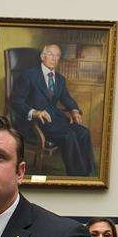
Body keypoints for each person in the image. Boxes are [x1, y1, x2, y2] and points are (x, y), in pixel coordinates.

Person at [10, 43, 96, 176]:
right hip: (36, 121)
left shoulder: (60, 79)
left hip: (56, 118)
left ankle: (89, 172)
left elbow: (66, 98)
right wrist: (34, 112)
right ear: (42, 56)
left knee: (84, 132)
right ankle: (77, 176)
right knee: (69, 135)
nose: (54, 58)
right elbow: (16, 101)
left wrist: (74, 110)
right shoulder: (28, 75)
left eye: (57, 55)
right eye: (50, 54)